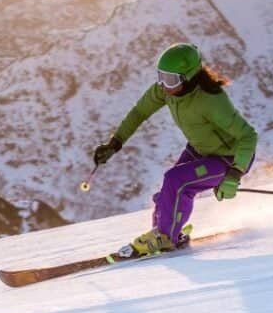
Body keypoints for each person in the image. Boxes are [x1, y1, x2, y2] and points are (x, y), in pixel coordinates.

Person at [93, 42, 258, 255]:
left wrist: (235, 173)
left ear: (188, 77)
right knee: (166, 194)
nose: (163, 84)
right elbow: (139, 113)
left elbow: (248, 136)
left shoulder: (211, 100)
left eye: (170, 79)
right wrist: (115, 143)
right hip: (200, 150)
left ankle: (165, 237)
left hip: (229, 158)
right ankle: (163, 232)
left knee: (176, 180)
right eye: (161, 76)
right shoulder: (165, 91)